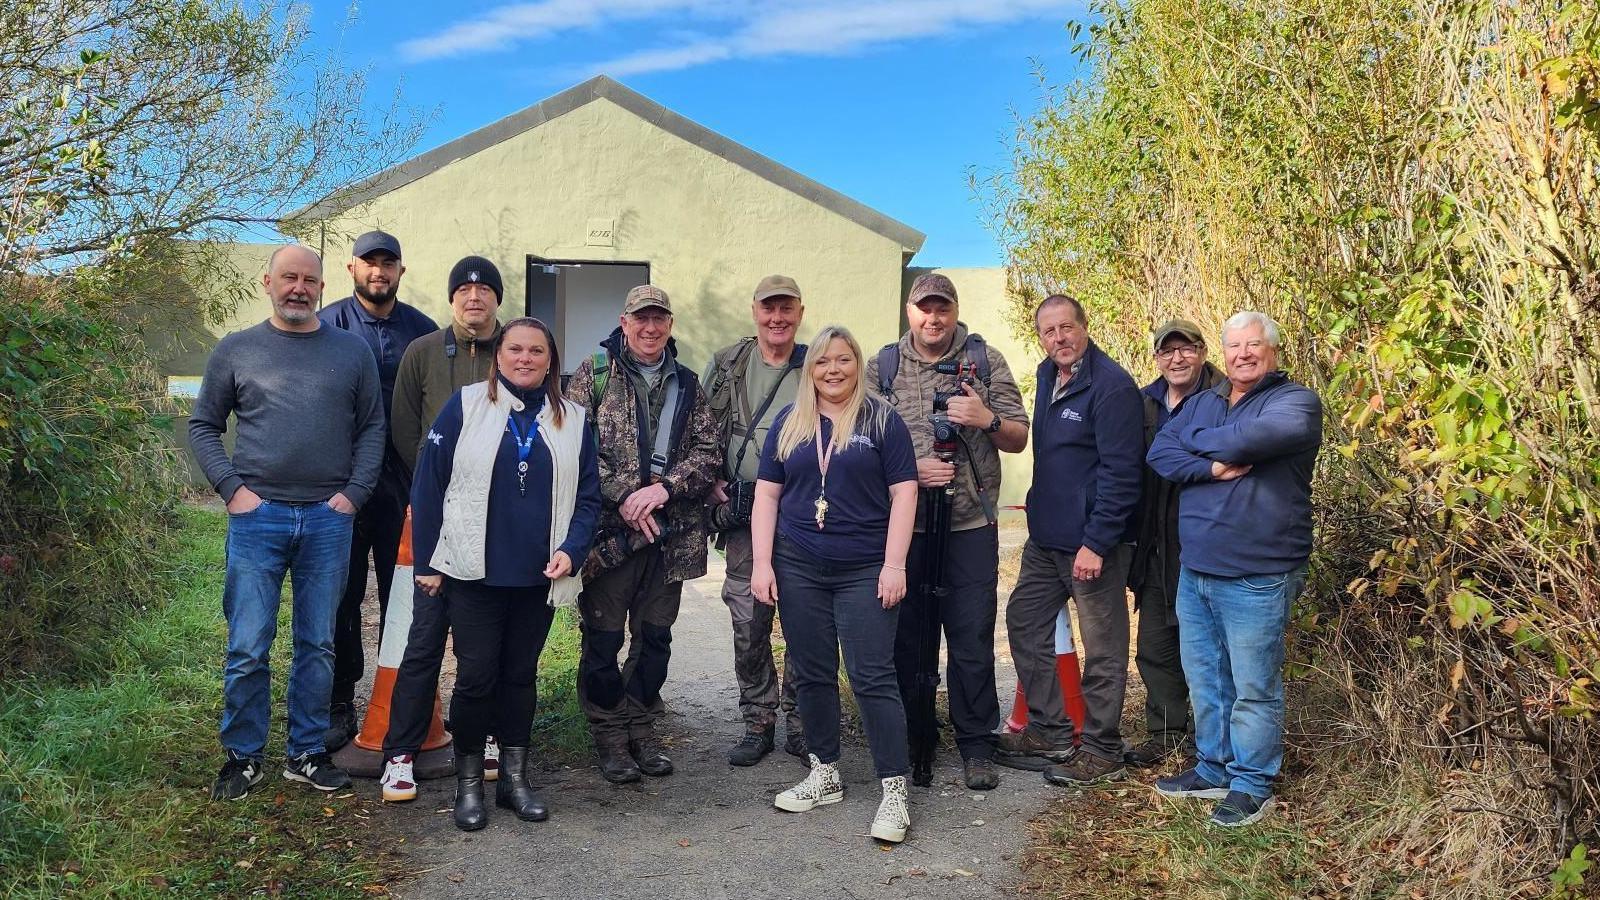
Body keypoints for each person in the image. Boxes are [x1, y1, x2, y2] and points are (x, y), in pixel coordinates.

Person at [189, 244, 384, 800]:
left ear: (323, 286)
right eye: (288, 278)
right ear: (267, 282)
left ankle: (305, 752)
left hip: (328, 519)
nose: (298, 287)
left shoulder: (351, 352)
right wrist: (232, 491)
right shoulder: (237, 349)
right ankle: (243, 756)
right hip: (258, 519)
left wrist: (353, 495)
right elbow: (204, 425)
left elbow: (371, 427)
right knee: (248, 643)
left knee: (318, 643)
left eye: (309, 279)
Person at [405, 317, 601, 831]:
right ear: (499, 355)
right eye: (515, 349)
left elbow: (588, 499)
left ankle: (515, 778)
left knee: (520, 677)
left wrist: (573, 550)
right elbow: (429, 483)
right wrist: (428, 561)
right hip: (475, 572)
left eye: (536, 351)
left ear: (550, 360)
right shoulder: (466, 405)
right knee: (475, 678)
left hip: (538, 574)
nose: (525, 359)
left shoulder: (575, 419)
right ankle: (469, 783)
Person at [1147, 310, 1321, 828]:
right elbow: (1160, 450)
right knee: (1207, 681)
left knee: (1253, 688)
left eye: (1253, 345)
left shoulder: (1296, 402)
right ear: (1223, 353)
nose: (1243, 354)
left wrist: (1200, 441)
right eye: (1234, 346)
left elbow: (1252, 441)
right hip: (1196, 571)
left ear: (1272, 350)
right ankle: (1214, 768)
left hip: (1258, 574)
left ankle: (1252, 784)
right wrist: (1210, 466)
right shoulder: (1205, 400)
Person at [750, 325, 919, 842]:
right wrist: (762, 563)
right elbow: (767, 496)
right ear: (811, 369)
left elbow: (906, 493)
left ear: (857, 363)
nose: (833, 370)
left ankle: (895, 788)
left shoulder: (882, 420)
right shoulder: (790, 420)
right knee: (812, 671)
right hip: (799, 565)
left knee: (872, 676)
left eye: (843, 360)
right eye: (823, 362)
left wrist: (895, 564)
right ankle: (824, 772)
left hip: (865, 568)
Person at [864, 272, 1029, 790]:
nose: (932, 318)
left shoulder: (985, 360)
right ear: (909, 313)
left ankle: (976, 743)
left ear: (955, 311)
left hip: (970, 524)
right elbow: (857, 442)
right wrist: (911, 469)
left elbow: (1019, 436)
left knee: (971, 637)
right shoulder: (882, 366)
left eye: (942, 309)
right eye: (923, 309)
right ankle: (915, 735)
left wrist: (985, 418)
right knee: (908, 637)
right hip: (903, 530)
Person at [565, 285, 720, 784]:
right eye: (641, 318)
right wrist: (627, 496)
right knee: (603, 641)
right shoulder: (595, 375)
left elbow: (708, 452)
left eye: (659, 319)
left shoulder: (691, 385)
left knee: (655, 639)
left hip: (671, 537)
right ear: (624, 321)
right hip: (610, 540)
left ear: (670, 324)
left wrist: (662, 492)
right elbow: (572, 449)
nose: (650, 328)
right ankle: (609, 734)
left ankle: (642, 727)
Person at [998, 294, 1143, 786]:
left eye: (1067, 328)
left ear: (1084, 326)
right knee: (1023, 619)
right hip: (1048, 540)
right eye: (1048, 331)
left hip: (1092, 544)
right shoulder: (1046, 376)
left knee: (1103, 647)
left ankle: (1102, 750)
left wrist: (1097, 542)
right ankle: (1050, 730)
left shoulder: (1112, 387)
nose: (1059, 339)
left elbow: (1123, 474)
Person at [381, 256, 509, 795]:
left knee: (487, 643)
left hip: (501, 521)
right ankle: (400, 752)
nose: (474, 297)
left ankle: (482, 736)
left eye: (484, 290)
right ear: (453, 298)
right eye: (464, 289)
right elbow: (405, 427)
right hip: (435, 519)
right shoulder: (423, 352)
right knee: (423, 640)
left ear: (497, 299)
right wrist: (440, 489)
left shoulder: (517, 350)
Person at [317, 230, 438, 751]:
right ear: (351, 269)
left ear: (401, 272)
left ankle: (404, 706)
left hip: (406, 484)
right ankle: (338, 700)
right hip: (342, 485)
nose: (379, 272)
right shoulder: (326, 327)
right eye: (370, 263)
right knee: (340, 595)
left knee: (404, 597)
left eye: (389, 264)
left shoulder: (424, 332)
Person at [703, 274, 809, 766]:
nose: (778, 318)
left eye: (786, 309)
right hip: (746, 516)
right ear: (755, 311)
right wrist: (710, 483)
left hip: (806, 514)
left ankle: (803, 721)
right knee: (749, 621)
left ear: (800, 313)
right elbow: (699, 431)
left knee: (806, 621)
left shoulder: (816, 365)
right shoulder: (728, 365)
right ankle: (757, 719)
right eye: (769, 308)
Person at [1125, 319, 1225, 768]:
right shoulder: (1144, 404)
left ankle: (1214, 742)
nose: (1177, 358)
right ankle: (1165, 733)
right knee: (1155, 646)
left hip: (1207, 543)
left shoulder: (1228, 398)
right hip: (1155, 543)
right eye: (1168, 351)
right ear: (1157, 358)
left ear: (1202, 352)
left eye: (1186, 349)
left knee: (1207, 649)